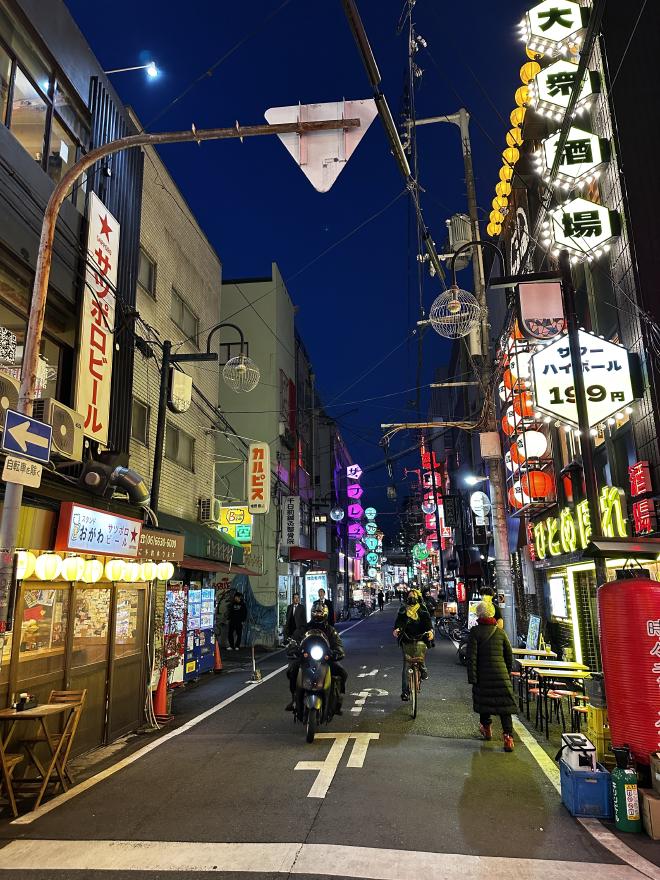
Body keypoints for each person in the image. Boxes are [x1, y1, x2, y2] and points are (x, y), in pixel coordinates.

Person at [466, 600, 518, 752]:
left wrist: (472, 677)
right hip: (501, 674)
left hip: (483, 675)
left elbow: (471, 657)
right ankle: (508, 737)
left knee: (484, 703)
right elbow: (509, 655)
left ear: (478, 614)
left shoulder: (475, 632)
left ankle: (487, 729)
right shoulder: (500, 632)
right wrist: (506, 671)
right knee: (505, 707)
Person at [285, 601, 347, 713]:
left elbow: (338, 644)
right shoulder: (304, 628)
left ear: (325, 614)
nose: (318, 615)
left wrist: (337, 652)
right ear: (312, 613)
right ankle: (294, 698)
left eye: (320, 612)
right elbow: (295, 639)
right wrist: (293, 648)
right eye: (316, 612)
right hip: (306, 658)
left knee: (342, 672)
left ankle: (337, 699)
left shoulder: (330, 630)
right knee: (292, 670)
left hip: (325, 659)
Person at [393, 588, 434, 701]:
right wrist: (397, 629)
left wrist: (430, 631)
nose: (411, 598)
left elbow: (428, 622)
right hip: (406, 638)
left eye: (414, 596)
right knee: (406, 665)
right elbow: (399, 622)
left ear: (418, 598)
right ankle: (405, 692)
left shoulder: (422, 608)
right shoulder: (403, 609)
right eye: (410, 596)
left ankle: (423, 669)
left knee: (420, 654)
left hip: (421, 637)